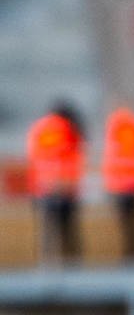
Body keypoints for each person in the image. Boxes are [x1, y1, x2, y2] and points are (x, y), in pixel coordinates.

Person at [27, 103, 85, 262]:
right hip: (65, 187)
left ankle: (47, 266)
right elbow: (75, 155)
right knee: (68, 233)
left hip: (43, 187)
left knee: (48, 232)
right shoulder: (68, 127)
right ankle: (72, 267)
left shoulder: (38, 128)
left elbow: (33, 158)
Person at [101, 105, 134, 256]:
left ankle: (131, 256)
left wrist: (110, 183)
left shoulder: (115, 130)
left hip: (121, 185)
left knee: (127, 224)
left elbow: (110, 159)